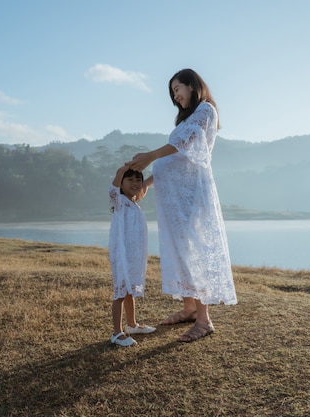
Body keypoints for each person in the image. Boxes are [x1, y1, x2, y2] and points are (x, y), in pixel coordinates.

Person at [126, 68, 237, 343]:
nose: (175, 97)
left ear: (192, 85)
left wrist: (151, 155)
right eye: (173, 93)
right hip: (174, 199)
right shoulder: (184, 120)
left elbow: (184, 144)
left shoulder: (206, 111)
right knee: (181, 252)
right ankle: (189, 309)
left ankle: (204, 319)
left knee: (195, 252)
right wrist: (146, 184)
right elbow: (173, 163)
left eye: (177, 89)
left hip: (192, 196)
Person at [108, 165, 156, 346]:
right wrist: (126, 168)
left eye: (138, 180)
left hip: (133, 255)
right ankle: (117, 333)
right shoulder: (118, 200)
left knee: (129, 290)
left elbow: (151, 181)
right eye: (130, 180)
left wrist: (161, 165)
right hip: (122, 255)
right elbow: (114, 184)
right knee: (120, 292)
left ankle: (132, 325)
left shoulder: (134, 202)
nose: (135, 183)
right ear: (121, 183)